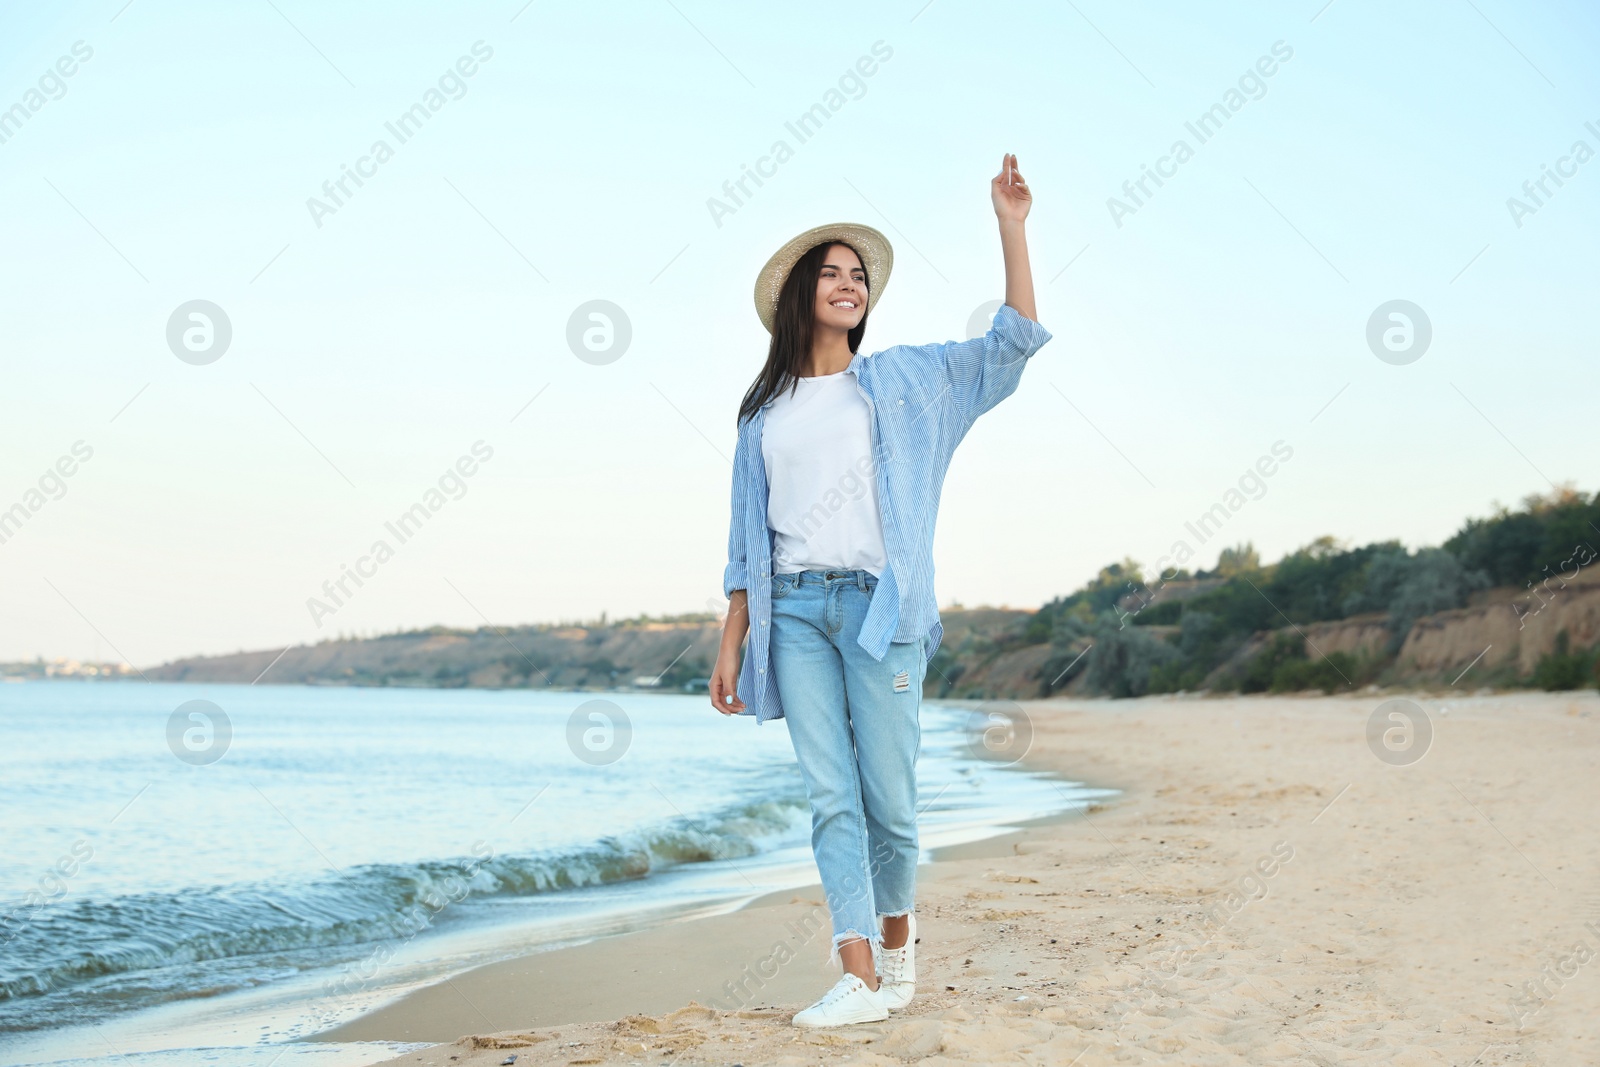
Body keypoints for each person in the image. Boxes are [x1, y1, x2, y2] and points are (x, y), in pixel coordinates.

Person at [710, 154, 1053, 1028]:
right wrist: (733, 636)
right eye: (830, 273)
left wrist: (1011, 226)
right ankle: (858, 976)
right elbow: (748, 536)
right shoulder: (763, 412)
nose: (847, 285)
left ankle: (899, 948)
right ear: (798, 295)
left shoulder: (907, 382)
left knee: (890, 803)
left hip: (881, 608)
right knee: (831, 796)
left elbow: (1011, 345)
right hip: (792, 612)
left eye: (857, 275)